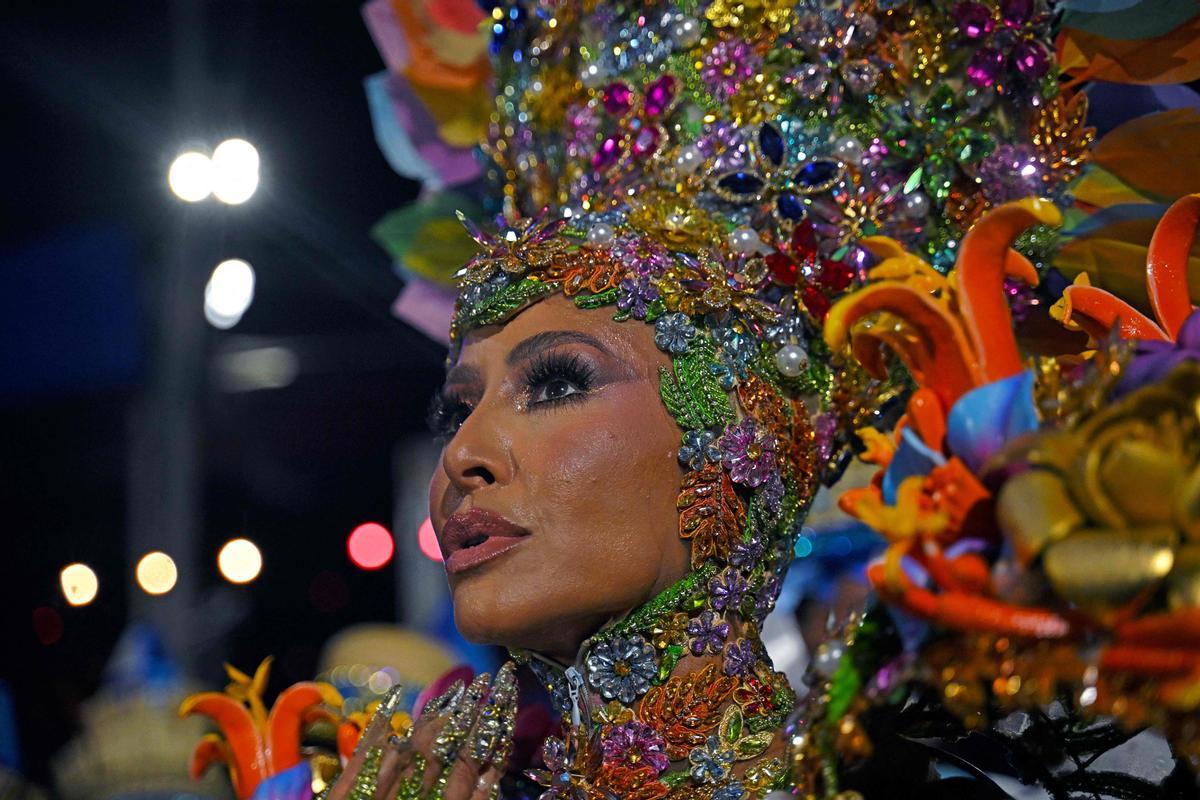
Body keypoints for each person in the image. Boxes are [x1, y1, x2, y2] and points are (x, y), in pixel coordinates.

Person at [193, 1, 1200, 798]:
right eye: (458, 406)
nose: (465, 453)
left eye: (555, 381)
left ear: (734, 440)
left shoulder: (943, 772)